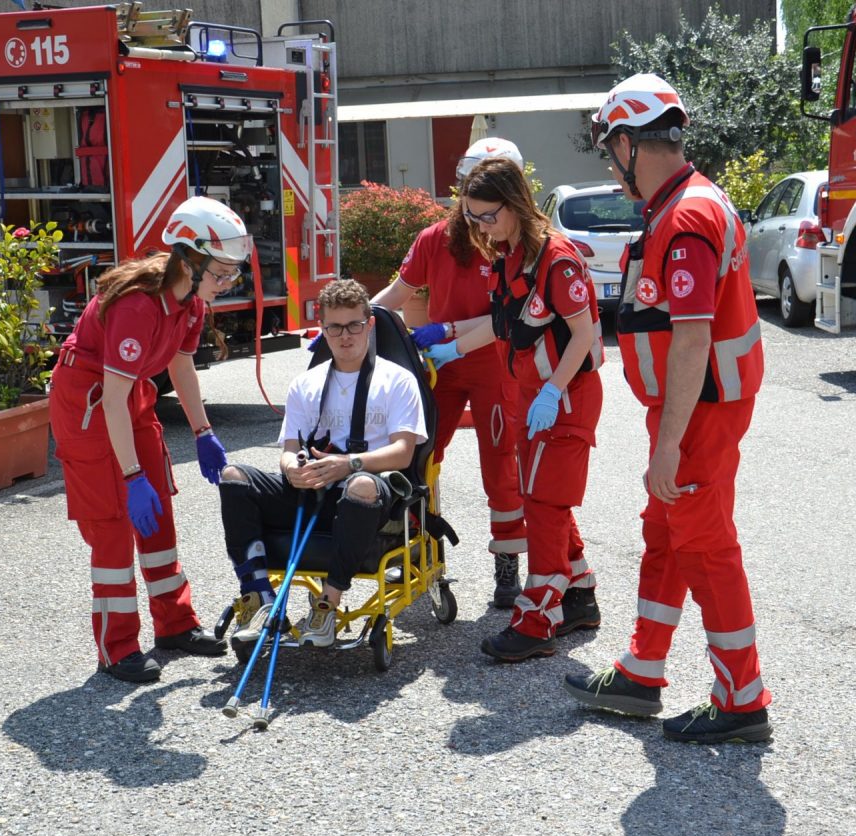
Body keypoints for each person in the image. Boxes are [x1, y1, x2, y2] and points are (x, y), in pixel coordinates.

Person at [562, 73, 773, 744]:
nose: (610, 165)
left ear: (628, 144)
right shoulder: (684, 203)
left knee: (705, 545)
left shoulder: (685, 216)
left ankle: (741, 697)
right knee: (665, 531)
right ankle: (643, 668)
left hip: (700, 412)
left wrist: (669, 444)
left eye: (610, 151)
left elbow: (692, 337)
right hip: (694, 408)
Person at [50, 195, 244, 683]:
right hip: (89, 404)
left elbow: (180, 365)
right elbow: (110, 401)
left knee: (158, 517)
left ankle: (175, 625)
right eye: (222, 273)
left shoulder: (191, 304)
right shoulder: (138, 306)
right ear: (190, 261)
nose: (227, 283)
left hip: (127, 394)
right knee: (113, 525)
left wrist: (203, 432)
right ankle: (116, 648)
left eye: (233, 274)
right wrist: (131, 475)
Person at [425, 157, 603, 662]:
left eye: (488, 216)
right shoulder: (511, 256)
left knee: (543, 505)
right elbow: (503, 324)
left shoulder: (557, 259)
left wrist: (552, 392)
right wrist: (451, 345)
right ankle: (579, 597)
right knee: (544, 496)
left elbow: (584, 333)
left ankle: (536, 620)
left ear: (514, 204)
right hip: (534, 393)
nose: (481, 228)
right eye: (473, 217)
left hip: (564, 397)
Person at [217, 279, 426, 650]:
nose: (345, 336)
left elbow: (403, 452)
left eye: (354, 326)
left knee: (361, 485)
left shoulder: (398, 380)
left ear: (369, 325)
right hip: (312, 487)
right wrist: (291, 469)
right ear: (322, 330)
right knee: (233, 477)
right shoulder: (305, 384)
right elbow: (289, 449)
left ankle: (326, 606)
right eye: (335, 327)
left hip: (367, 488)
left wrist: (349, 464)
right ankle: (259, 598)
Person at [372, 137, 527, 610]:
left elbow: (507, 318)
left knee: (501, 467)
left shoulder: (515, 246)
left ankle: (507, 563)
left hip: (496, 366)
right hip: (439, 369)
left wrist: (449, 333)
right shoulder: (435, 238)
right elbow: (396, 295)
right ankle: (417, 547)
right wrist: (353, 322)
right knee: (416, 457)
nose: (475, 212)